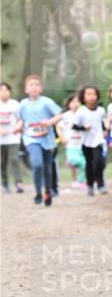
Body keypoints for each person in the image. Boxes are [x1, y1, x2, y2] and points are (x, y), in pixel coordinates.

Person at [18, 75, 62, 206]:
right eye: (31, 85)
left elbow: (59, 115)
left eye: (37, 84)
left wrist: (49, 122)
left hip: (47, 139)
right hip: (31, 138)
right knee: (37, 164)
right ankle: (38, 191)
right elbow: (22, 120)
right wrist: (18, 128)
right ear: (26, 89)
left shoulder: (47, 102)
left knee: (47, 167)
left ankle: (47, 191)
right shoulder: (23, 104)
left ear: (41, 88)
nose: (34, 87)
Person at [75, 85, 108, 196]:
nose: (92, 97)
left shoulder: (101, 110)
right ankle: (90, 186)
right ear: (83, 97)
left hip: (98, 140)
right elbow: (74, 126)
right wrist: (84, 128)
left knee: (99, 162)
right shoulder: (81, 111)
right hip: (86, 141)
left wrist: (105, 130)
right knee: (89, 164)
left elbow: (102, 123)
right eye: (88, 94)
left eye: (94, 94)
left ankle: (100, 184)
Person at [0, 82, 24, 194]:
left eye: (6, 90)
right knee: (2, 162)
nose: (3, 92)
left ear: (10, 92)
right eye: (1, 90)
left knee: (14, 158)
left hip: (13, 137)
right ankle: (5, 183)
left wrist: (17, 128)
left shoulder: (15, 104)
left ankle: (18, 183)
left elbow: (21, 119)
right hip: (1, 139)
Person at [59, 93, 87, 188]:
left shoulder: (83, 114)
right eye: (73, 101)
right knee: (75, 161)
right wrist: (62, 138)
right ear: (69, 104)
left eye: (77, 101)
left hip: (82, 143)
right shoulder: (65, 115)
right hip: (70, 143)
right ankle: (74, 179)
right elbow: (59, 127)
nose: (75, 104)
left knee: (84, 163)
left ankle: (81, 181)